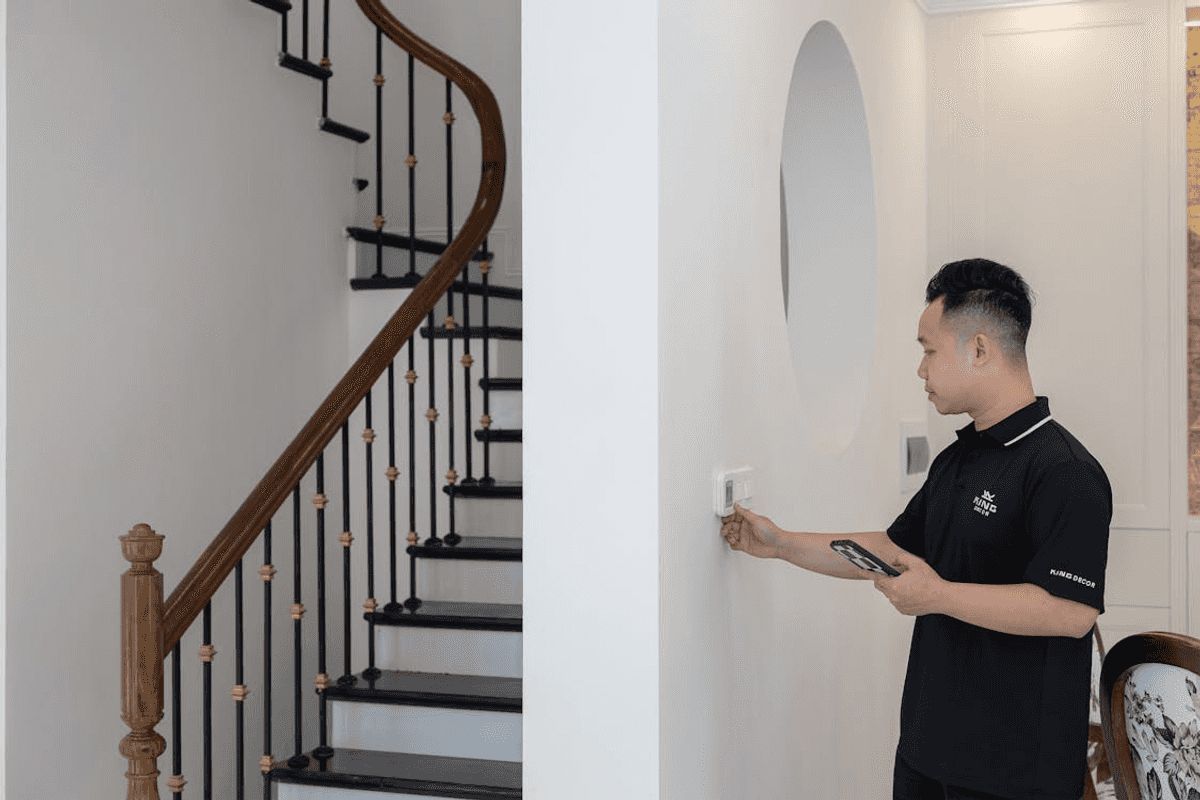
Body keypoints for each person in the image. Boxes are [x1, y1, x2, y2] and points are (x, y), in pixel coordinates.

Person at [721, 258, 1112, 800]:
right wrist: (781, 543)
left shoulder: (1065, 470)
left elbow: (1070, 612)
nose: (920, 370)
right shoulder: (958, 461)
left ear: (979, 349)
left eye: (928, 350)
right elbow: (893, 549)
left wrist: (939, 596)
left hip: (1017, 775)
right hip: (928, 758)